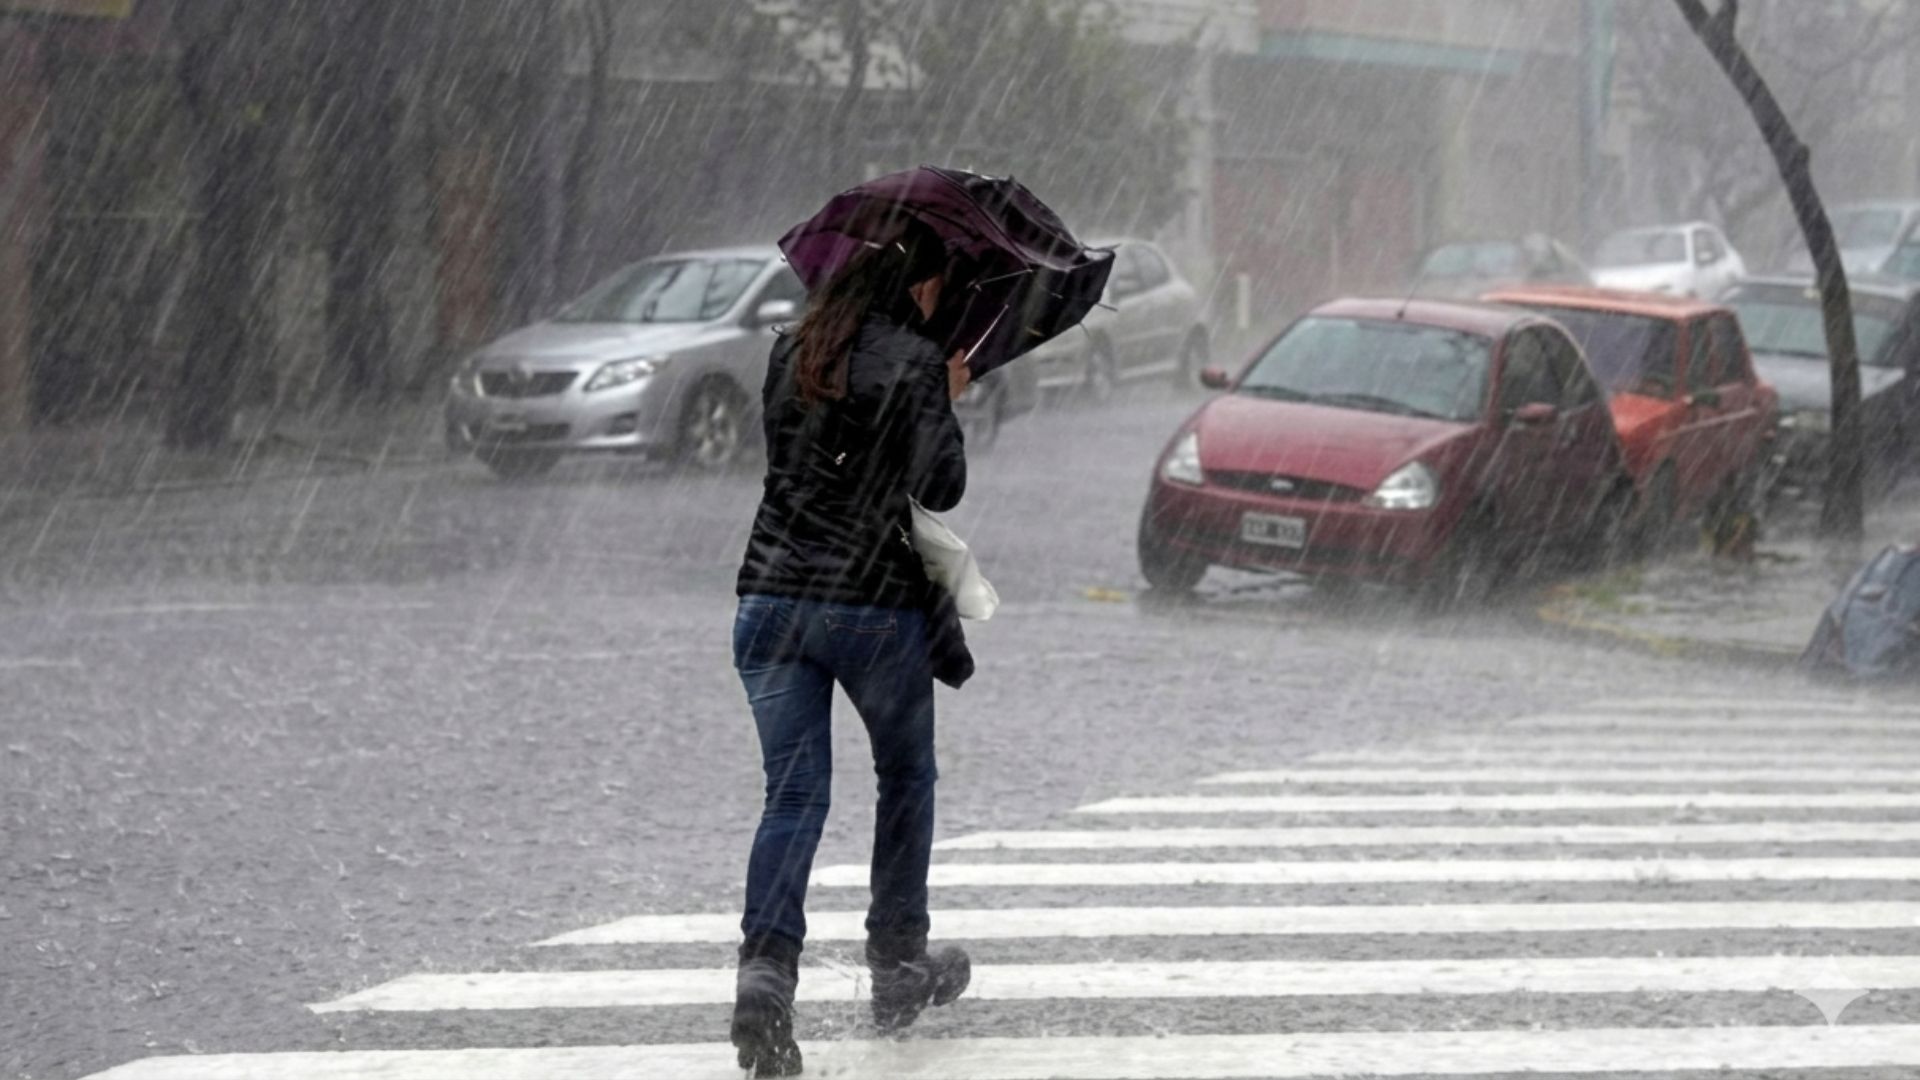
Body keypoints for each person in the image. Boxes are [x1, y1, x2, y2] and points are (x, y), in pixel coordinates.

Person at [729, 223, 973, 1078]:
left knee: (792, 796)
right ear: (918, 285)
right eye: (943, 285)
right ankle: (899, 965)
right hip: (870, 607)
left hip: (767, 601)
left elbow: (797, 463)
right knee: (905, 778)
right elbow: (939, 484)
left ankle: (764, 977)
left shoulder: (788, 350)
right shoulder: (914, 357)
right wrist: (945, 392)